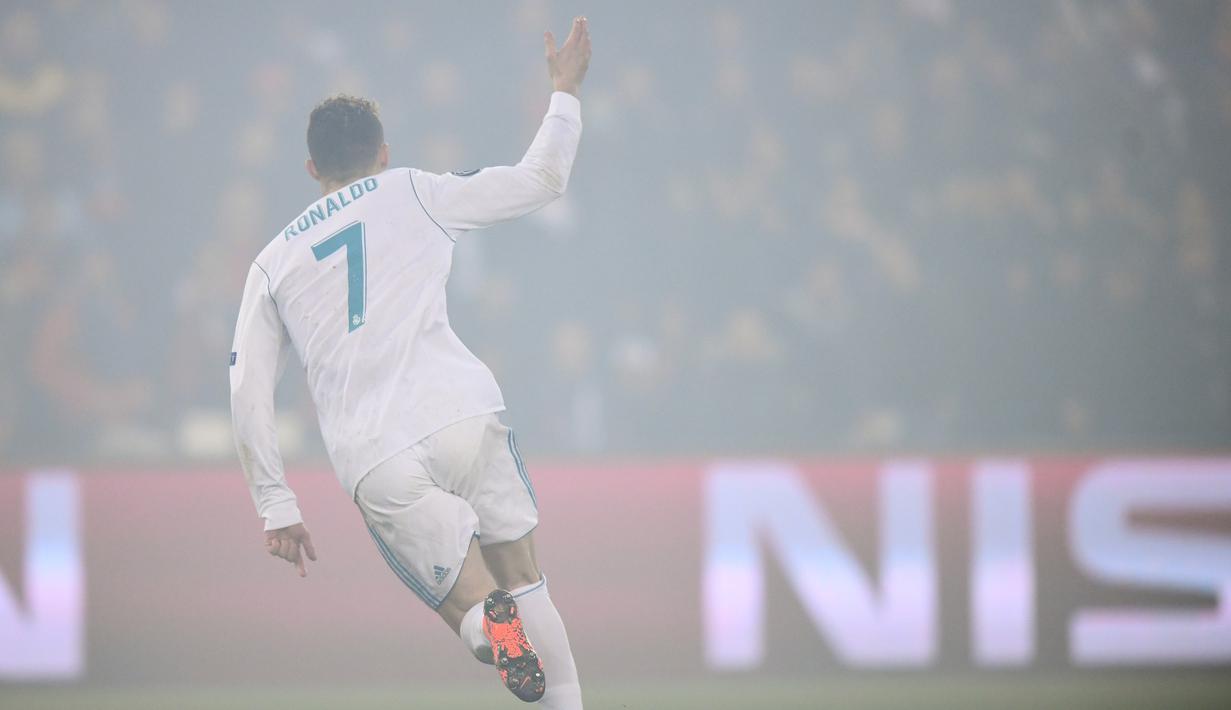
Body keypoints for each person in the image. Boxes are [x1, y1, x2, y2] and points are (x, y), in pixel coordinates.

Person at [228, 17, 590, 707]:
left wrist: (276, 503)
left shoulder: (272, 264)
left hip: (376, 451)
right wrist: (564, 92)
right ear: (383, 153)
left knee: (470, 605)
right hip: (461, 412)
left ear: (312, 169)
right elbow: (542, 179)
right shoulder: (416, 189)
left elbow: (248, 389)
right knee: (525, 577)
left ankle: (487, 624)